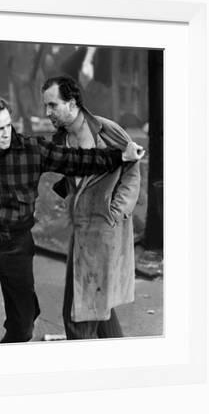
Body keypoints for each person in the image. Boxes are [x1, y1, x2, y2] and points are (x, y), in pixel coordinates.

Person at [0, 93, 144, 345]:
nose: (7, 133)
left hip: (16, 246)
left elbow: (78, 161)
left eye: (9, 125)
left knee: (23, 326)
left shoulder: (32, 149)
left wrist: (120, 157)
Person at [42, 76, 140, 339]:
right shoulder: (60, 141)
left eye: (52, 105)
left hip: (105, 230)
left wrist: (116, 211)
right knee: (97, 306)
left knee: (79, 314)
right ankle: (123, 364)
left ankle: (84, 371)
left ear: (72, 103)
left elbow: (132, 171)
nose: (47, 112)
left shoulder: (108, 131)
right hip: (80, 230)